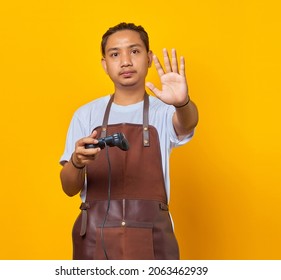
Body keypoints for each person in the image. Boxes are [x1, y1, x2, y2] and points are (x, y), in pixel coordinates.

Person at [59, 22, 198, 260]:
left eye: (134, 51)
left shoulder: (164, 111)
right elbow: (69, 188)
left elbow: (187, 123)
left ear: (148, 58)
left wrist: (181, 102)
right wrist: (77, 161)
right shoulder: (85, 114)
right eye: (115, 54)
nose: (125, 61)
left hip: (152, 237)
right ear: (105, 64)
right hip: (94, 237)